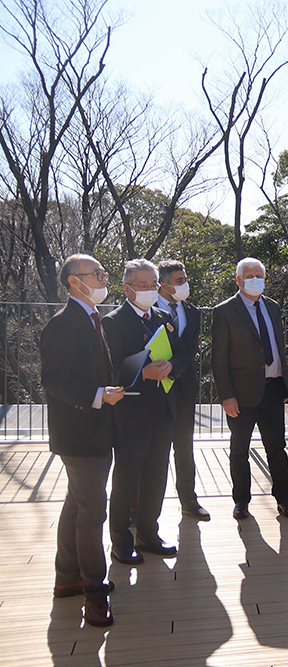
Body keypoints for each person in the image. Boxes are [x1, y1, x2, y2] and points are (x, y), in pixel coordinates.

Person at [41, 253, 123, 627]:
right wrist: (97, 395)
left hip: (95, 430)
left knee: (77, 503)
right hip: (78, 434)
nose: (102, 278)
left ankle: (67, 577)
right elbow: (54, 381)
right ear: (75, 282)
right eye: (96, 274)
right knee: (93, 511)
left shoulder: (92, 319)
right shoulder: (62, 324)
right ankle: (95, 593)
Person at [102, 258, 188, 565]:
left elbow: (182, 353)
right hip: (129, 412)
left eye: (153, 284)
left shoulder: (164, 315)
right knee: (126, 478)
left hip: (162, 409)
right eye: (143, 285)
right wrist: (143, 373)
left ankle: (149, 534)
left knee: (156, 475)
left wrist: (171, 368)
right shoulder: (112, 321)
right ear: (127, 288)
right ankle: (121, 541)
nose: (150, 290)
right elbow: (111, 369)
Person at [211, 257, 288, 521]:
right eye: (249, 276)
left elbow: (277, 346)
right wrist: (226, 395)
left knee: (277, 447)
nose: (255, 280)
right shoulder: (224, 311)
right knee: (240, 449)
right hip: (241, 393)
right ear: (238, 280)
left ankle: (284, 499)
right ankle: (241, 501)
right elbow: (218, 358)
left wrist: (283, 383)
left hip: (272, 389)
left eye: (259, 275)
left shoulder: (272, 307)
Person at [157, 260, 211, 521]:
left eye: (184, 279)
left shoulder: (192, 311)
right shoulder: (148, 308)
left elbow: (189, 350)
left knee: (184, 446)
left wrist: (175, 369)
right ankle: (136, 506)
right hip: (153, 387)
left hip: (183, 386)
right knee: (151, 448)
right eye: (179, 280)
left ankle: (188, 499)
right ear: (163, 283)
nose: (184, 284)